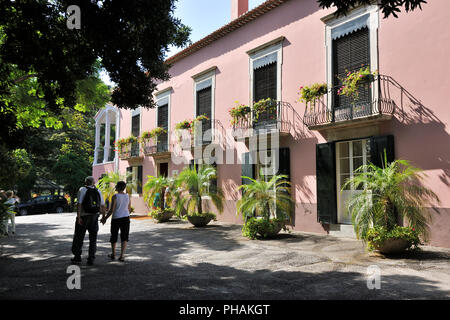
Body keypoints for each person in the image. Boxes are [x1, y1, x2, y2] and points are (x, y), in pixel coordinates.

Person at [71, 176, 105, 266]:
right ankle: (91, 258)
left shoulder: (82, 190)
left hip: (84, 216)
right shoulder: (98, 191)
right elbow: (102, 205)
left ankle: (77, 256)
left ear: (85, 182)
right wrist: (103, 217)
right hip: (94, 216)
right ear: (93, 183)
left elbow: (79, 204)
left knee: (79, 237)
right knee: (93, 239)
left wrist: (79, 217)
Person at [101, 181, 130, 262]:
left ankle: (113, 254)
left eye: (116, 186)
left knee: (114, 235)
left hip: (116, 218)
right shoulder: (128, 196)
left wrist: (104, 219)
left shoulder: (115, 196)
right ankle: (122, 256)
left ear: (118, 187)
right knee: (124, 236)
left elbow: (111, 210)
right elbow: (129, 209)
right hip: (126, 218)